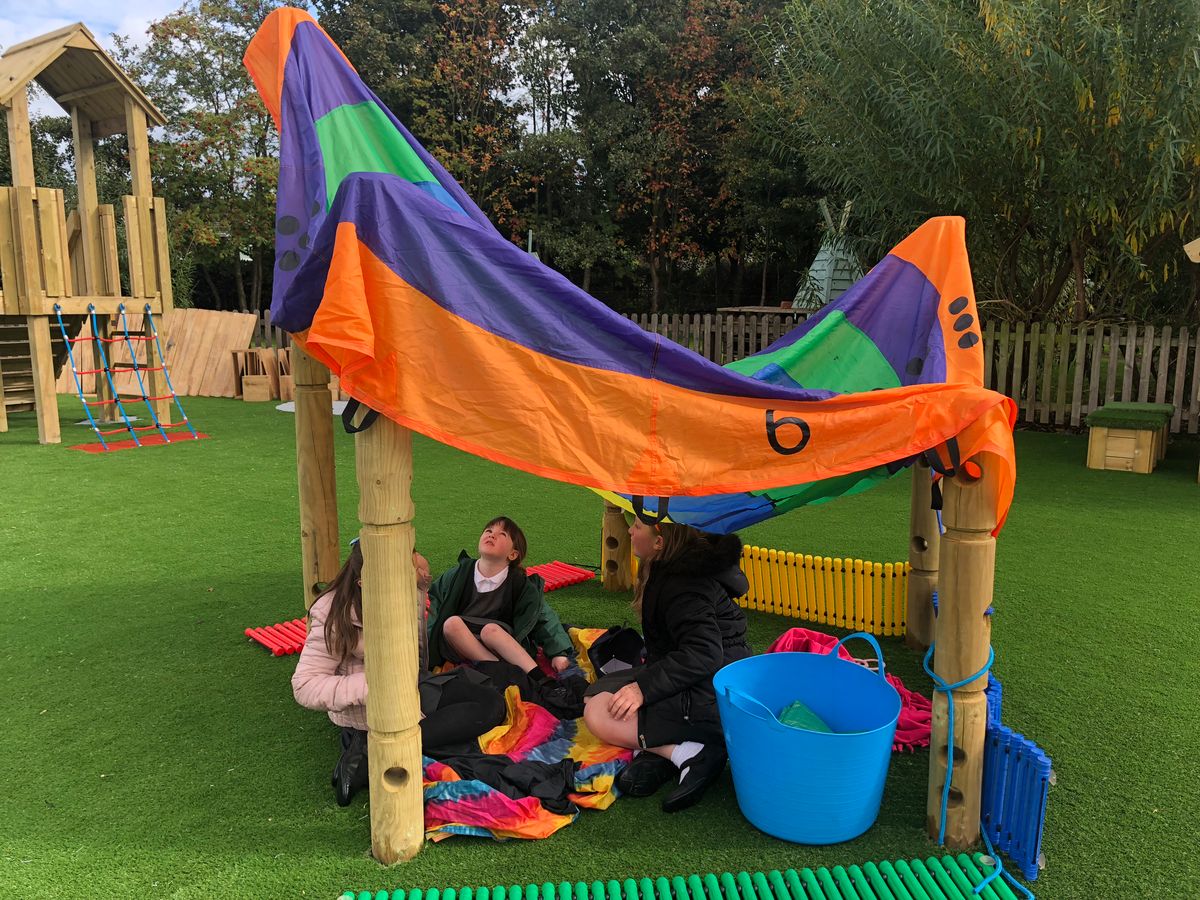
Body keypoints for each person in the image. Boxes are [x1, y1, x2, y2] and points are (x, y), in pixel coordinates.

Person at [292, 541, 508, 806]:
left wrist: (419, 586)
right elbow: (305, 685)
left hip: (410, 684)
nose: (415, 565)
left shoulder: (402, 584)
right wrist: (375, 686)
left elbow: (413, 648)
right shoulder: (332, 612)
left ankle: (368, 751)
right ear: (364, 583)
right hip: (372, 705)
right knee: (468, 731)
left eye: (413, 556)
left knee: (491, 702)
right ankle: (373, 751)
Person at [583, 514, 750, 812]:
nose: (631, 531)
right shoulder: (673, 568)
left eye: (637, 526)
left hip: (715, 693)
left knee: (597, 713)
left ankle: (688, 753)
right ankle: (666, 750)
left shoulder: (684, 585)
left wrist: (642, 690)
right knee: (595, 692)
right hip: (705, 678)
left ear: (659, 542)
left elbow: (704, 653)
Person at [426, 516, 574, 685]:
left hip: (499, 642)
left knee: (491, 630)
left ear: (513, 554)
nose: (492, 535)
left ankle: (539, 678)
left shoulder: (519, 583)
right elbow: (435, 608)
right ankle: (500, 670)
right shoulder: (458, 574)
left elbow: (543, 616)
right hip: (461, 642)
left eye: (502, 534)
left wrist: (559, 652)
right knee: (451, 623)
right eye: (488, 531)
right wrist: (425, 648)